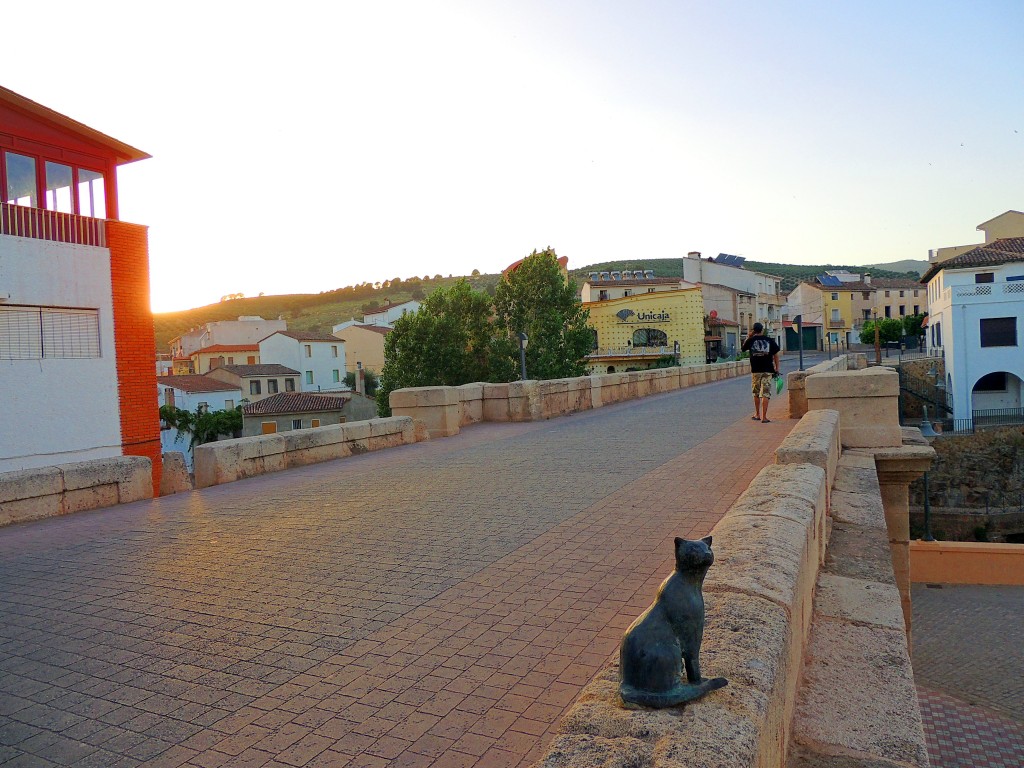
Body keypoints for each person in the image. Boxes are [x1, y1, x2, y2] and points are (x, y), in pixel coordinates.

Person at [741, 322, 781, 423]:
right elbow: (776, 355)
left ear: (754, 330)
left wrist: (748, 337)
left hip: (756, 370)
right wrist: (777, 368)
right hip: (768, 370)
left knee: (756, 392)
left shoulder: (750, 340)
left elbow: (743, 349)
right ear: (762, 330)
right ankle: (764, 417)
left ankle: (757, 414)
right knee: (766, 393)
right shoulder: (769, 340)